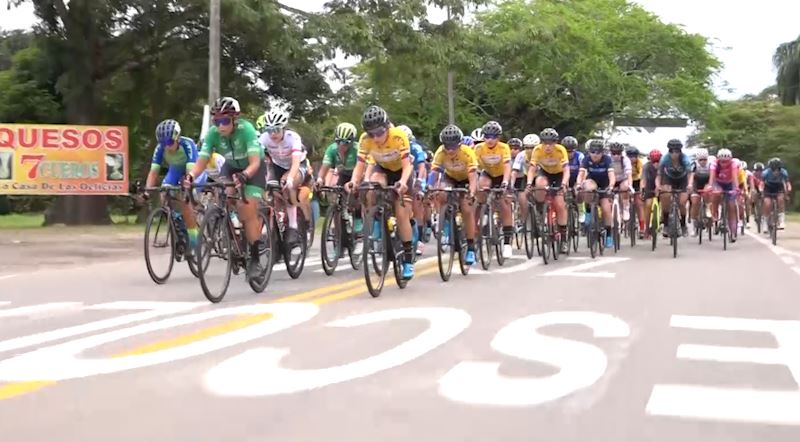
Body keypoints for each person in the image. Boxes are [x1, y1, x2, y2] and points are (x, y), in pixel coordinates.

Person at [184, 96, 267, 279]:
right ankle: (233, 234)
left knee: (247, 207)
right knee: (226, 195)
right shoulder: (213, 134)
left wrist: (245, 175)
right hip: (231, 166)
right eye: (217, 121)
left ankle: (254, 259)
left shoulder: (247, 131)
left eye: (225, 121)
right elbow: (202, 161)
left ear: (235, 120)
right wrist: (191, 176)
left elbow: (254, 163)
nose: (221, 126)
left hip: (253, 168)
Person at [346, 105, 416, 280]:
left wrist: (402, 183)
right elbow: (360, 166)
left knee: (401, 214)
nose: (376, 137)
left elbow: (408, 166)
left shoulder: (398, 136)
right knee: (370, 188)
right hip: (382, 169)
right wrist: (354, 181)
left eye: (379, 132)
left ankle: (408, 258)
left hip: (402, 172)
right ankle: (377, 220)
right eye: (371, 134)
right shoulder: (365, 140)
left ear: (387, 127)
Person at [145, 119, 206, 256]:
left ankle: (193, 239)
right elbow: (153, 172)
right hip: (175, 170)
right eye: (163, 143)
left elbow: (191, 171)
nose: (166, 146)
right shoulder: (160, 148)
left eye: (169, 142)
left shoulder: (188, 144)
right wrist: (147, 192)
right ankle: (177, 221)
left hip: (194, 171)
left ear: (177, 137)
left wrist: (187, 184)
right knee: (164, 193)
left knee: (185, 200)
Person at [259, 108, 310, 246]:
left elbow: (295, 163)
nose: (273, 134)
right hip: (277, 165)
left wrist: (290, 178)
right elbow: (257, 159)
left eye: (276, 130)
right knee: (271, 191)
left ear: (283, 128)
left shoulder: (293, 138)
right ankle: (274, 225)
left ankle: (293, 226)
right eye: (269, 130)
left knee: (287, 185)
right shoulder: (263, 138)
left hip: (297, 165)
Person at [428, 124, 479, 265]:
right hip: (450, 177)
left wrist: (472, 192)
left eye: (453, 147)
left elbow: (473, 176)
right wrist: (430, 187)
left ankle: (470, 247)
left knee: (467, 208)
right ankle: (444, 225)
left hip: (466, 179)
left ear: (460, 144)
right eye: (447, 146)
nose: (450, 150)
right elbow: (434, 172)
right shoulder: (440, 152)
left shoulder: (467, 152)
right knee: (441, 193)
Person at [527, 127, 570, 254]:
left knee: (560, 204)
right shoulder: (537, 150)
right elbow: (532, 169)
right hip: (545, 172)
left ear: (555, 143)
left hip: (559, 174)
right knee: (539, 184)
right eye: (545, 143)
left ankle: (563, 238)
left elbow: (566, 170)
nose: (547, 146)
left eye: (550, 143)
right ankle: (541, 210)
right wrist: (529, 183)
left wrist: (563, 184)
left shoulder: (561, 150)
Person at [474, 120, 514, 259]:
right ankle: (484, 212)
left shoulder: (503, 148)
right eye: (487, 137)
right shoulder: (479, 148)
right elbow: (473, 167)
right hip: (488, 174)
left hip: (502, 175)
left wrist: (505, 182)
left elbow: (508, 165)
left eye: (494, 137)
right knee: (481, 186)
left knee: (504, 205)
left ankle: (508, 244)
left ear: (499, 138)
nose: (490, 140)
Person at [575, 139, 615, 249]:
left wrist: (611, 187)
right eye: (592, 152)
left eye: (598, 152)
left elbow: (611, 176)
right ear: (589, 152)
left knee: (606, 209)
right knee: (588, 189)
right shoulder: (586, 159)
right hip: (592, 181)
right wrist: (579, 184)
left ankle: (609, 235)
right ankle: (588, 211)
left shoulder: (607, 159)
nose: (595, 155)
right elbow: (581, 173)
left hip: (604, 183)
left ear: (602, 152)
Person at [655, 138, 693, 237]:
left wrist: (690, 184)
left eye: (677, 151)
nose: (674, 154)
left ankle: (683, 224)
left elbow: (690, 174)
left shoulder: (685, 159)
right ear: (669, 151)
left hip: (682, 180)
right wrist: (658, 186)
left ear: (680, 151)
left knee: (682, 202)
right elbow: (659, 175)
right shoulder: (665, 159)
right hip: (669, 178)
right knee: (666, 197)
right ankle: (666, 224)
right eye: (672, 151)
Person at [708, 148, 739, 241]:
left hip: (730, 183)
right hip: (718, 183)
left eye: (726, 162)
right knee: (716, 195)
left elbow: (734, 176)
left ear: (730, 160)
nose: (724, 164)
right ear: (718, 160)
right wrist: (710, 186)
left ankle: (733, 231)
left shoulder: (733, 163)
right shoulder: (714, 164)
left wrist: (736, 188)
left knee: (731, 207)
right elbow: (712, 177)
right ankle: (715, 215)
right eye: (722, 162)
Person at [511, 133, 540, 223]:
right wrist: (511, 185)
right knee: (522, 197)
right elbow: (514, 171)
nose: (529, 150)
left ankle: (542, 212)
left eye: (532, 147)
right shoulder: (521, 155)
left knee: (541, 194)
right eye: (527, 147)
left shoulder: (541, 153)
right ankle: (524, 220)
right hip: (527, 176)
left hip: (540, 176)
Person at [761, 157, 792, 230]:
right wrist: (761, 189)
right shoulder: (765, 173)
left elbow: (787, 183)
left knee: (781, 199)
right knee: (767, 203)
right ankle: (765, 222)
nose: (776, 171)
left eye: (778, 169)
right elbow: (762, 183)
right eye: (774, 170)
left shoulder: (784, 172)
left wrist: (789, 188)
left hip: (778, 187)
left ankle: (781, 220)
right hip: (768, 187)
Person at [689, 148, 712, 236]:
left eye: (704, 159)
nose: (703, 162)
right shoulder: (694, 164)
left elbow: (712, 176)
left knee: (707, 191)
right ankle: (694, 225)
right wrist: (690, 184)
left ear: (707, 158)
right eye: (700, 160)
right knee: (695, 202)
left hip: (706, 181)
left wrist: (710, 185)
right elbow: (691, 176)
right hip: (696, 182)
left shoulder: (710, 164)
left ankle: (707, 207)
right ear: (697, 159)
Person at [563, 136, 585, 223]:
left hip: (577, 178)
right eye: (567, 151)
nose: (569, 154)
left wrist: (579, 183)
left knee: (578, 191)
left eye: (571, 151)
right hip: (564, 178)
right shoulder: (560, 156)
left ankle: (581, 211)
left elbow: (583, 171)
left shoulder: (580, 156)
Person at [641, 149, 661, 239]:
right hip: (649, 185)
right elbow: (643, 179)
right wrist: (642, 189)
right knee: (648, 205)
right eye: (654, 161)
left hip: (661, 185)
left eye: (658, 161)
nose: (656, 163)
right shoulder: (646, 166)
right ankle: (646, 229)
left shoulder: (663, 166)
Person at [626, 145, 645, 237]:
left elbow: (641, 177)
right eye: (629, 156)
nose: (632, 158)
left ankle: (642, 228)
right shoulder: (624, 162)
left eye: (634, 156)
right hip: (626, 180)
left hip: (637, 182)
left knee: (639, 204)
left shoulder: (640, 163)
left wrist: (641, 190)